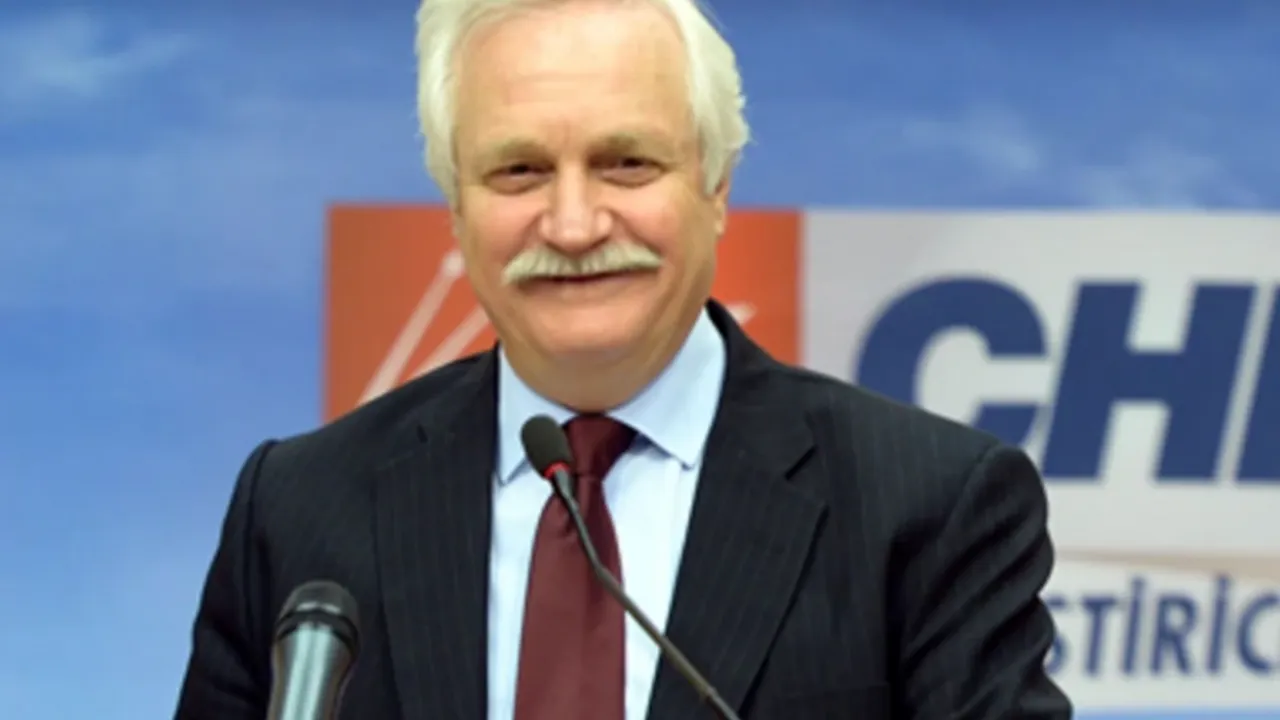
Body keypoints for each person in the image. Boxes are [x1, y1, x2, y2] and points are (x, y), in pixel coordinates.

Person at [174, 0, 1073, 717]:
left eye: (627, 163)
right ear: (455, 206)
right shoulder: (301, 510)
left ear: (716, 185)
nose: (573, 226)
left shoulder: (929, 509)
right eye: (519, 171)